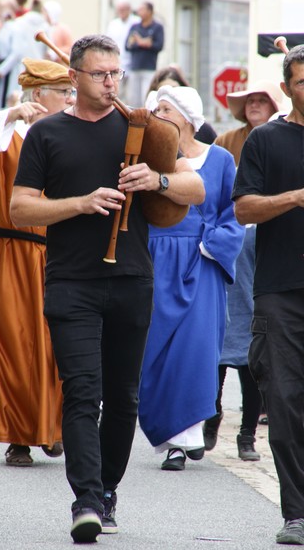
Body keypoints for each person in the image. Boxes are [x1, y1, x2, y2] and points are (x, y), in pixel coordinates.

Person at [10, 34, 205, 543]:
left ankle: (108, 490)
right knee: (82, 392)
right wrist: (78, 203)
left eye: (116, 73)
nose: (111, 82)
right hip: (71, 281)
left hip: (132, 279)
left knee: (123, 398)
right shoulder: (47, 134)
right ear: (73, 77)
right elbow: (20, 208)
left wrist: (155, 182)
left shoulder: (145, 128)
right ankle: (86, 499)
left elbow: (195, 188)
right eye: (100, 74)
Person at [0, 59, 76, 466]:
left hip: (60, 250)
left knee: (58, 342)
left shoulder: (70, 133)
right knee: (14, 343)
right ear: (38, 97)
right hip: (11, 251)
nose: (71, 99)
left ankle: (52, 426)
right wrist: (7, 115)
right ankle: (19, 436)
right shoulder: (6, 136)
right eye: (64, 92)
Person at [138, 85, 245, 472]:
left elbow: (233, 215)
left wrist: (208, 246)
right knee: (156, 350)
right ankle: (171, 432)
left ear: (185, 116)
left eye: (164, 108)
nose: (158, 114)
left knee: (195, 352)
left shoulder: (219, 160)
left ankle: (183, 441)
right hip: (156, 261)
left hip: (202, 262)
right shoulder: (150, 161)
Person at [232, 44, 304, 546]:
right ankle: (297, 512)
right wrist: (298, 196)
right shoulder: (266, 140)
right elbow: (244, 209)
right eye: (303, 81)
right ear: (286, 88)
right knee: (285, 402)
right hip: (281, 291)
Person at [203, 79, 284, 460]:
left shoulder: (282, 140)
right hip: (225, 245)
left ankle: (247, 434)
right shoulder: (225, 142)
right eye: (248, 100)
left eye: (260, 100)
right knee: (217, 345)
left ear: (273, 106)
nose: (253, 104)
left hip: (262, 250)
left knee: (254, 348)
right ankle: (211, 416)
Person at [215, 80, 283, 166]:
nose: (254, 105)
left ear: (274, 108)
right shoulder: (225, 141)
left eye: (262, 101)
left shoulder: (285, 140)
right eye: (250, 101)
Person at [146, 64, 218, 144]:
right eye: (163, 91)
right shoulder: (147, 130)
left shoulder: (204, 130)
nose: (169, 95)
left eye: (174, 88)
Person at [125, 1, 164, 107]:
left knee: (147, 98)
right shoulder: (135, 27)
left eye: (142, 9)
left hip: (149, 68)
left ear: (150, 11)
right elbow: (128, 45)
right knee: (133, 99)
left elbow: (159, 45)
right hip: (135, 68)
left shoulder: (157, 27)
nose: (139, 11)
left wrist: (140, 42)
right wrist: (143, 43)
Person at [106, 0, 139, 105]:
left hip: (133, 65)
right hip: (117, 63)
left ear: (129, 9)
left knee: (132, 96)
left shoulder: (136, 22)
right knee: (117, 92)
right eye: (119, 10)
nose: (121, 12)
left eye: (123, 10)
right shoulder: (113, 24)